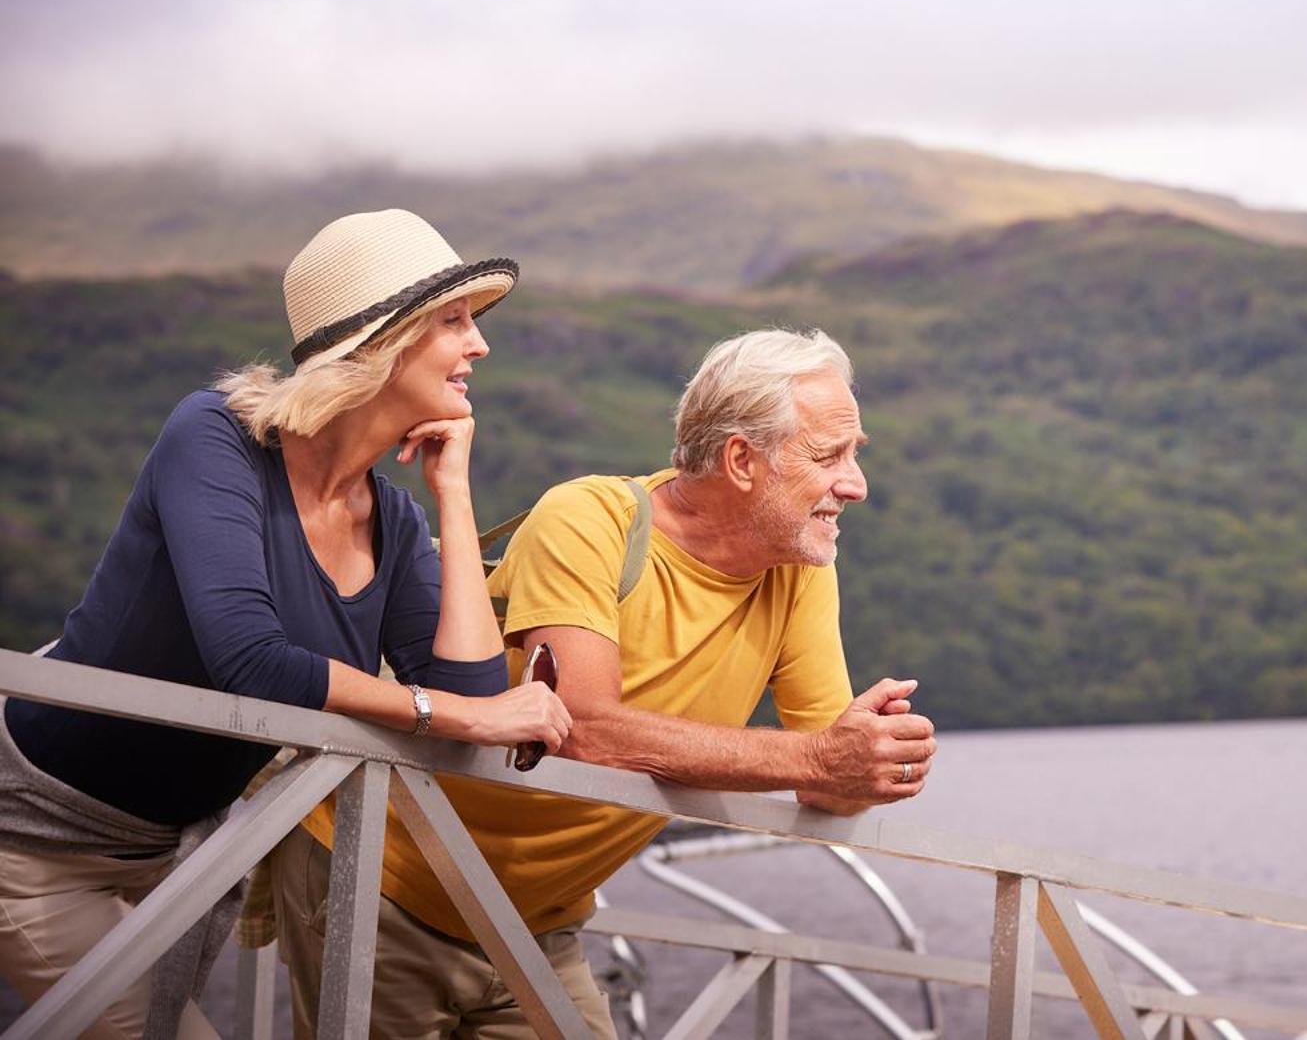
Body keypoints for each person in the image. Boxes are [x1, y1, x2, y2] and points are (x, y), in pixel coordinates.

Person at [0, 209, 571, 1040]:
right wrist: (451, 712)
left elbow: (471, 696)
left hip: (176, 853)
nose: (479, 345)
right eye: (454, 321)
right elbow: (250, 656)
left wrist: (454, 493)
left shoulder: (398, 520)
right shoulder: (214, 435)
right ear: (385, 339)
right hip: (37, 839)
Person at [273, 327, 936, 1039]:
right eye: (828, 455)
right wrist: (818, 758)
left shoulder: (802, 567)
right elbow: (580, 725)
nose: (855, 484)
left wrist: (870, 757)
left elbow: (821, 778)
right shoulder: (591, 517)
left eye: (854, 455)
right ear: (742, 459)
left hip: (539, 923)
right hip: (386, 876)